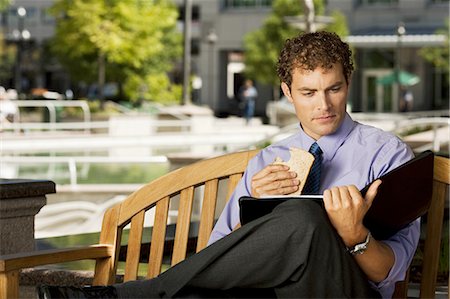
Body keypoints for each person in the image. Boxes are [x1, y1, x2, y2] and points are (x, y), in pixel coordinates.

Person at [40, 31, 419, 299]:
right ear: (287, 93)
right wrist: (252, 211)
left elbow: (388, 274)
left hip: (344, 289)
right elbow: (220, 259)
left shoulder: (387, 156)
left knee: (304, 220)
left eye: (333, 89)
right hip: (267, 293)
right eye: (308, 92)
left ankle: (140, 293)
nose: (323, 104)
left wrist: (355, 236)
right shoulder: (267, 162)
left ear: (348, 82)